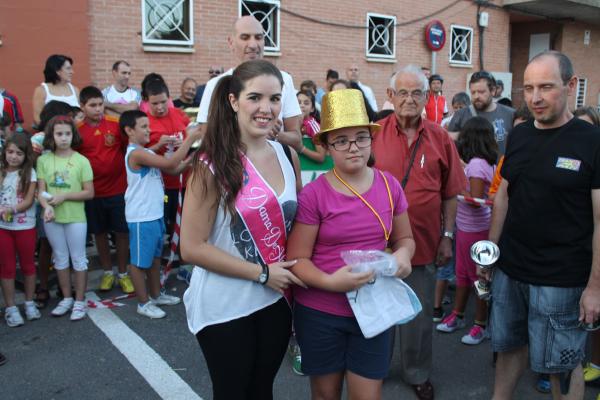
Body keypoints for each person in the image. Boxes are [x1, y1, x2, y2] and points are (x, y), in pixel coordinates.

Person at [181, 59, 303, 400]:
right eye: (255, 98)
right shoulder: (212, 163)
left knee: (262, 390)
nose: (266, 108)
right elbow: (191, 247)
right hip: (225, 307)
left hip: (275, 302)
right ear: (234, 101)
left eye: (275, 99)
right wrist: (261, 273)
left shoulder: (284, 153)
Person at [287, 88, 415, 400]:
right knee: (325, 396)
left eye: (360, 137)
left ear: (372, 139)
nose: (353, 147)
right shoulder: (314, 195)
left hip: (374, 309)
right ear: (327, 147)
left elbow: (405, 239)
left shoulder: (389, 186)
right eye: (341, 140)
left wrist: (403, 257)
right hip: (321, 312)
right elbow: (297, 259)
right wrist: (331, 282)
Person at [486, 51, 600, 400]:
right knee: (507, 349)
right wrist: (490, 254)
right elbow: (503, 195)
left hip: (562, 280)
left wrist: (595, 287)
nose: (534, 98)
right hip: (511, 271)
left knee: (563, 367)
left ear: (571, 85)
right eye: (529, 88)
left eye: (546, 88)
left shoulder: (591, 140)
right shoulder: (519, 136)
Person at [372, 64, 466, 400]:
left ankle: (417, 372)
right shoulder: (373, 133)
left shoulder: (440, 138)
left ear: (427, 97)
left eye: (417, 93)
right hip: (378, 242)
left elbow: (451, 192)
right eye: (403, 92)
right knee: (378, 309)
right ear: (390, 96)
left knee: (418, 314)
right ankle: (375, 369)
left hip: (425, 242)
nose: (409, 99)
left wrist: (448, 235)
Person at [120, 110, 199, 318]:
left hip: (154, 215)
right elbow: (170, 164)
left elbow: (174, 170)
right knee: (139, 262)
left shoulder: (147, 152)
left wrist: (193, 157)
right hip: (141, 217)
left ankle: (155, 295)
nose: (149, 130)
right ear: (129, 130)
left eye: (149, 125)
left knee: (155, 259)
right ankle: (143, 303)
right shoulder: (136, 153)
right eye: (144, 126)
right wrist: (191, 137)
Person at [195, 16, 302, 154]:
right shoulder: (215, 85)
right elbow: (207, 138)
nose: (253, 45)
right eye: (245, 37)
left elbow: (297, 139)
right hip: (231, 168)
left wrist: (276, 134)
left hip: (273, 166)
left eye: (258, 37)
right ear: (231, 42)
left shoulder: (284, 79)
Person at [435, 117, 497, 345]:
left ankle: (480, 325)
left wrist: (456, 187)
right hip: (469, 228)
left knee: (478, 278)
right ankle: (458, 315)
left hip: (476, 230)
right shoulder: (479, 162)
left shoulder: (478, 164)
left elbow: (476, 200)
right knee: (462, 275)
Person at [37, 116, 94, 320]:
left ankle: (80, 301)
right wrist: (46, 207)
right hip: (52, 218)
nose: (63, 138)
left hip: (76, 217)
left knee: (78, 258)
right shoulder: (43, 160)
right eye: (59, 134)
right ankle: (67, 298)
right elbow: (40, 191)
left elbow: (89, 192)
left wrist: (65, 196)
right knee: (60, 258)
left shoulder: (81, 161)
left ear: (73, 135)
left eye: (67, 134)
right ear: (52, 136)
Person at [77, 86, 133, 293]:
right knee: (99, 234)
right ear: (82, 106)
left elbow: (129, 148)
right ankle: (108, 273)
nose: (98, 109)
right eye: (92, 105)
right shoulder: (77, 129)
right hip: (94, 193)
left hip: (119, 190)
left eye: (100, 104)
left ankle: (123, 273)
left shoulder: (115, 124)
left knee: (122, 233)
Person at [0, 134, 41, 327]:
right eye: (10, 152)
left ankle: (29, 302)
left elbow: (28, 200)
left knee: (28, 267)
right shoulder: (1, 171)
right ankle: (10, 307)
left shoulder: (30, 173)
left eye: (18, 153)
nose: (13, 157)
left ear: (26, 155)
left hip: (25, 227)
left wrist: (12, 209)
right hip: (3, 228)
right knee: (7, 268)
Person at [144, 79, 191, 242]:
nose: (160, 107)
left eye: (163, 102)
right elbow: (139, 153)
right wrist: (158, 144)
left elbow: (194, 139)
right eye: (154, 103)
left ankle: (182, 258)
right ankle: (164, 257)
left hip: (184, 180)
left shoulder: (179, 114)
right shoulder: (144, 122)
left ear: (169, 98)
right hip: (160, 183)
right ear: (146, 102)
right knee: (164, 223)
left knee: (184, 223)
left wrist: (184, 143)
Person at [448, 71, 515, 155]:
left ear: (493, 90)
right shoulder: (460, 115)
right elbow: (449, 146)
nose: (476, 96)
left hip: (502, 167)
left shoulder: (510, 114)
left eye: (481, 92)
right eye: (473, 92)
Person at [32, 55, 80, 126]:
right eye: (68, 69)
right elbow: (37, 119)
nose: (72, 72)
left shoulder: (75, 90)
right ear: (57, 71)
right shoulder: (42, 91)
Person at [296, 91, 325, 164]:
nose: (302, 105)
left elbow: (321, 157)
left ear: (312, 109)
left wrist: (301, 149)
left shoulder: (313, 125)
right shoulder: (287, 122)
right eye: (298, 102)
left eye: (306, 103)